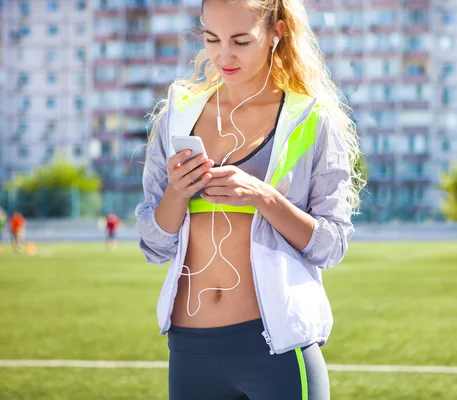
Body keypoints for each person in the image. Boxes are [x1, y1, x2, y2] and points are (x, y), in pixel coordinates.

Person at [135, 0, 363, 398]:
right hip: (190, 350)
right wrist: (177, 191)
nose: (224, 55)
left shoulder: (311, 118)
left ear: (276, 32)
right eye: (212, 38)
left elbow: (331, 245)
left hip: (277, 350)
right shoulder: (177, 115)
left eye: (241, 41)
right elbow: (154, 246)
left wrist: (261, 195)